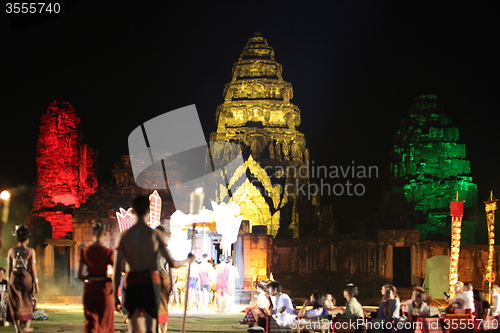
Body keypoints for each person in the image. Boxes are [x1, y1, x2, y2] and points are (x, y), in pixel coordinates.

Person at [113, 194, 194, 333]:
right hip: (151, 283)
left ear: (134, 211)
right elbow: (173, 264)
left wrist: (115, 295)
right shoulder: (156, 236)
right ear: (148, 211)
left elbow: (117, 269)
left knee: (134, 325)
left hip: (132, 282)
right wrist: (188, 260)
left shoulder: (125, 236)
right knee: (151, 324)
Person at [77, 222, 114, 333]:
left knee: (91, 323)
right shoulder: (107, 252)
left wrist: (88, 280)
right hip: (104, 289)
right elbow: (115, 272)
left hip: (91, 287)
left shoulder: (85, 251)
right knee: (105, 323)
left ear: (92, 232)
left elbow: (79, 275)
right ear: (105, 234)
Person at [7, 225, 39, 333]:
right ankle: (27, 325)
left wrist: (8, 282)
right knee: (27, 301)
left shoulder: (11, 251)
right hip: (26, 278)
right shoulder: (30, 251)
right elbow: (33, 268)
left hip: (14, 278)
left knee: (14, 303)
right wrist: (36, 283)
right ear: (27, 239)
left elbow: (9, 269)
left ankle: (17, 328)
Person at [155, 226, 171, 333]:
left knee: (162, 304)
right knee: (161, 304)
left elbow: (171, 267)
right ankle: (161, 328)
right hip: (158, 277)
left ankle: (162, 328)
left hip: (161, 277)